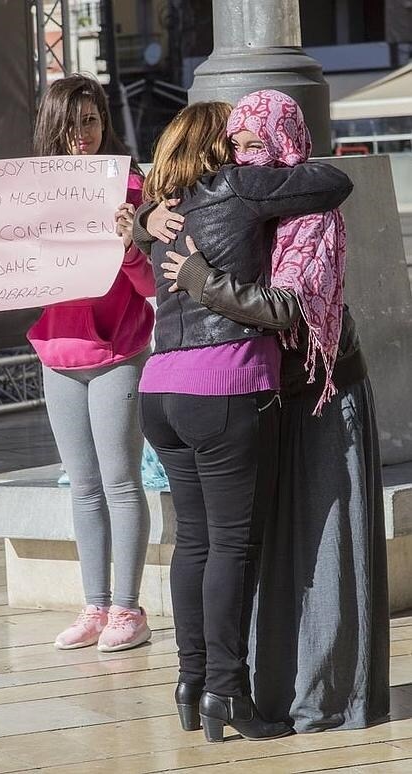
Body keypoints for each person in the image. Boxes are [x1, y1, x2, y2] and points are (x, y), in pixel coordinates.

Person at [139, 90, 389, 733]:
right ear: (221, 151)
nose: (249, 155)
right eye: (238, 143)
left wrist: (145, 217)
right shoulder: (246, 193)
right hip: (224, 385)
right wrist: (201, 274)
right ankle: (226, 690)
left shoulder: (176, 209)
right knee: (226, 544)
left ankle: (190, 685)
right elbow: (331, 182)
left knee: (192, 541)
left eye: (254, 141)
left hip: (160, 388)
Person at [0, 74, 156, 653]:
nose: (81, 135)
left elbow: (148, 286)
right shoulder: (31, 192)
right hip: (58, 353)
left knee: (120, 481)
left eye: (90, 121)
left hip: (119, 351)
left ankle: (128, 609)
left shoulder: (129, 186)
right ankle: (94, 605)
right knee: (84, 486)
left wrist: (132, 245)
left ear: (104, 122)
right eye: (70, 124)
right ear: (51, 128)